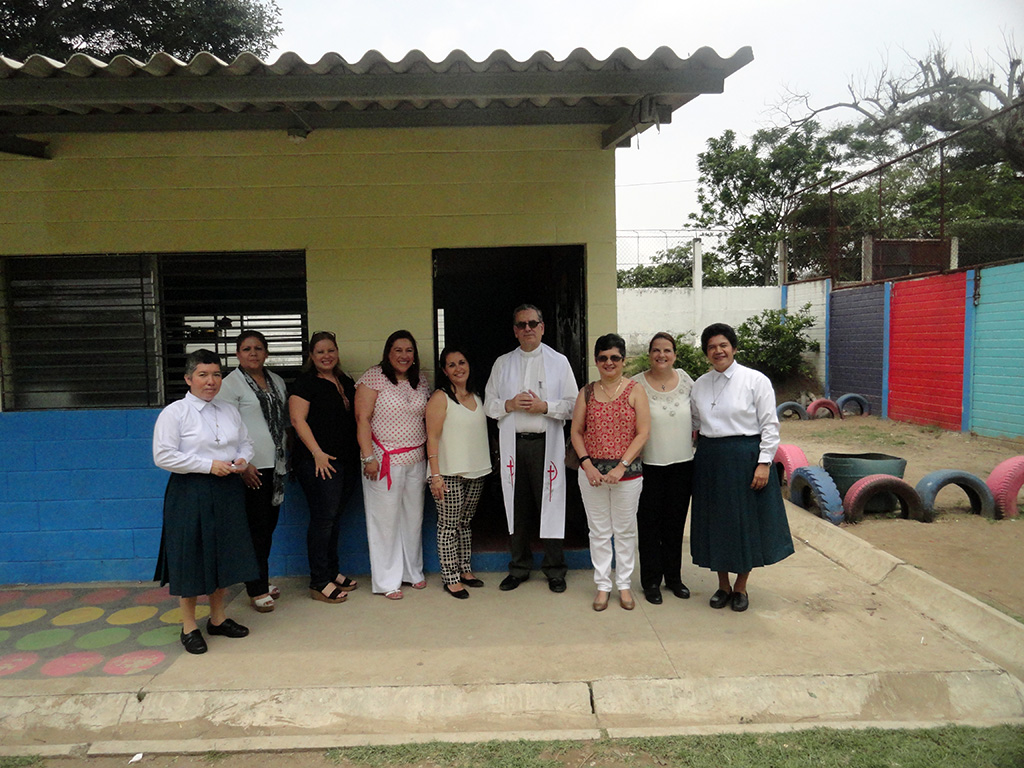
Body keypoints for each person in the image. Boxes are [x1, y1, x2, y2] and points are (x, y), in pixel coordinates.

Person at [153, 348, 258, 655]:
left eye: (216, 374)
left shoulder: (228, 410)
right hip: (191, 490)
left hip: (227, 490)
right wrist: (208, 465)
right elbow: (163, 456)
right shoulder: (175, 413)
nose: (211, 381)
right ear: (189, 379)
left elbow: (245, 442)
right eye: (203, 375)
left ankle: (218, 618)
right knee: (191, 556)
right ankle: (189, 626)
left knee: (223, 553)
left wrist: (242, 459)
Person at [689, 323, 795, 613]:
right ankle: (722, 585)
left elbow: (769, 425)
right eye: (711, 347)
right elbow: (694, 423)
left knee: (744, 523)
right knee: (717, 523)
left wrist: (764, 463)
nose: (718, 351)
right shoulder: (700, 384)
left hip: (745, 457)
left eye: (723, 345)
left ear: (734, 348)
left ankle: (741, 586)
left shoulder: (755, 380)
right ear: (706, 353)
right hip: (710, 458)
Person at [484, 304, 578, 594]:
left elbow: (574, 405)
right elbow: (488, 404)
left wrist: (545, 406)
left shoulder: (559, 362)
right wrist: (509, 404)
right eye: (521, 324)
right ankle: (519, 567)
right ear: (515, 331)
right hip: (514, 445)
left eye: (533, 323)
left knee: (550, 504)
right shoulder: (502, 363)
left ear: (542, 327)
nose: (527, 329)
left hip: (545, 445)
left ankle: (555, 568)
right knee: (517, 507)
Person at [570, 333, 650, 611]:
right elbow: (576, 431)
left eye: (615, 357)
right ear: (596, 361)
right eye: (603, 357)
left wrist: (621, 466)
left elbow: (643, 433)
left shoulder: (635, 390)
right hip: (592, 474)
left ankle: (624, 585)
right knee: (599, 531)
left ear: (623, 360)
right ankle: (603, 585)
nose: (609, 362)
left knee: (625, 531)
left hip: (627, 475)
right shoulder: (587, 392)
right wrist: (587, 465)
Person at [217, 330, 288, 613]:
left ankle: (260, 578)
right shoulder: (230, 385)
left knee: (267, 528)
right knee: (256, 529)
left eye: (258, 348)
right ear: (237, 354)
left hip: (276, 467)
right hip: (252, 468)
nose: (253, 353)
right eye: (246, 349)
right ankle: (256, 589)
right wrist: (242, 465)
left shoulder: (277, 381)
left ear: (266, 352)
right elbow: (226, 429)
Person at [355, 330, 430, 600]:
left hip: (416, 459)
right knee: (385, 521)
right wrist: (368, 457)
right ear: (388, 352)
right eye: (398, 350)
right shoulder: (373, 377)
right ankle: (387, 581)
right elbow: (362, 419)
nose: (404, 355)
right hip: (382, 461)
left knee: (413, 519)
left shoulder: (420, 380)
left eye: (409, 350)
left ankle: (412, 571)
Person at [288, 331, 360, 605]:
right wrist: (317, 453)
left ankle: (331, 571)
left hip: (346, 461)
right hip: (318, 462)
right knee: (323, 519)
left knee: (335, 518)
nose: (326, 356)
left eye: (331, 350)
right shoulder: (305, 383)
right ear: (311, 355)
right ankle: (319, 581)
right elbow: (298, 420)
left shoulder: (344, 380)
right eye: (320, 352)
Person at [631, 332, 696, 605]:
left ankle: (674, 578)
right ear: (649, 355)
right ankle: (650, 581)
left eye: (667, 350)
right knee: (649, 527)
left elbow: (698, 417)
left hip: (682, 465)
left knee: (675, 524)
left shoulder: (687, 380)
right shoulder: (636, 384)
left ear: (675, 355)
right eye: (656, 350)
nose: (662, 355)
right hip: (649, 467)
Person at [425, 346, 491, 600]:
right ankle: (450, 577)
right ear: (444, 371)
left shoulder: (477, 396)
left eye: (461, 362)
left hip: (476, 470)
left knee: (465, 523)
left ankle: (465, 570)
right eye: (451, 365)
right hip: (448, 472)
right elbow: (432, 437)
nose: (458, 368)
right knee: (448, 526)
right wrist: (435, 476)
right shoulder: (440, 398)